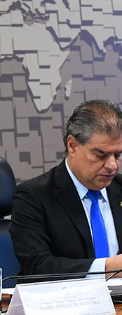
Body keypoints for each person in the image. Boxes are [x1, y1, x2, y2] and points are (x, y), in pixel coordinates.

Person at [9, 99, 122, 279]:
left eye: (117, 155)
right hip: (66, 295)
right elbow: (37, 266)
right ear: (72, 145)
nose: (112, 166)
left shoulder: (119, 188)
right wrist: (108, 268)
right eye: (101, 154)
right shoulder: (33, 196)